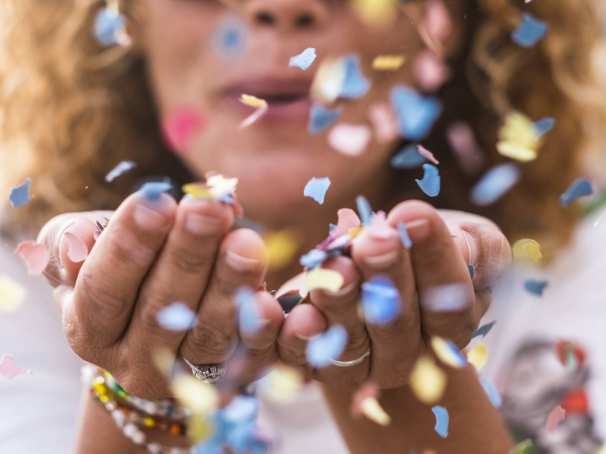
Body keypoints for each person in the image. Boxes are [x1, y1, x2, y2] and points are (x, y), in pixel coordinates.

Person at [0, 0, 605, 453]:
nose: (282, 6)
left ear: (446, 20)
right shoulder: (18, 272)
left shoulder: (584, 252)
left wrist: (407, 383)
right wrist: (144, 399)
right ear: (124, 16)